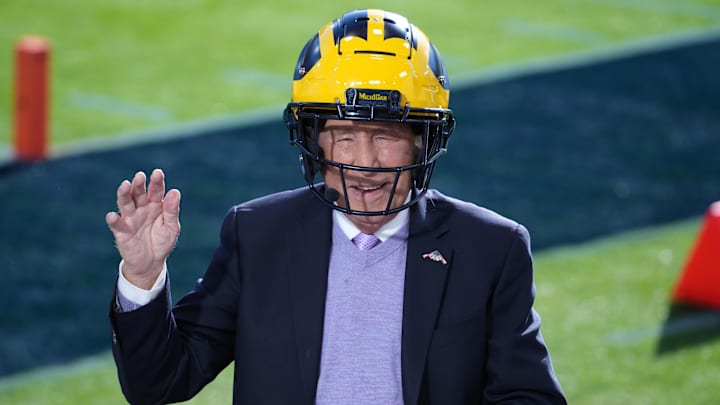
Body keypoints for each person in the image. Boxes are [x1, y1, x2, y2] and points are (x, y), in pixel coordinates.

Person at [107, 9, 566, 404]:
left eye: (385, 137)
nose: (364, 164)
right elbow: (159, 384)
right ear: (311, 141)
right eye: (344, 136)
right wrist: (144, 278)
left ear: (422, 143)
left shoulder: (491, 248)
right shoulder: (257, 234)